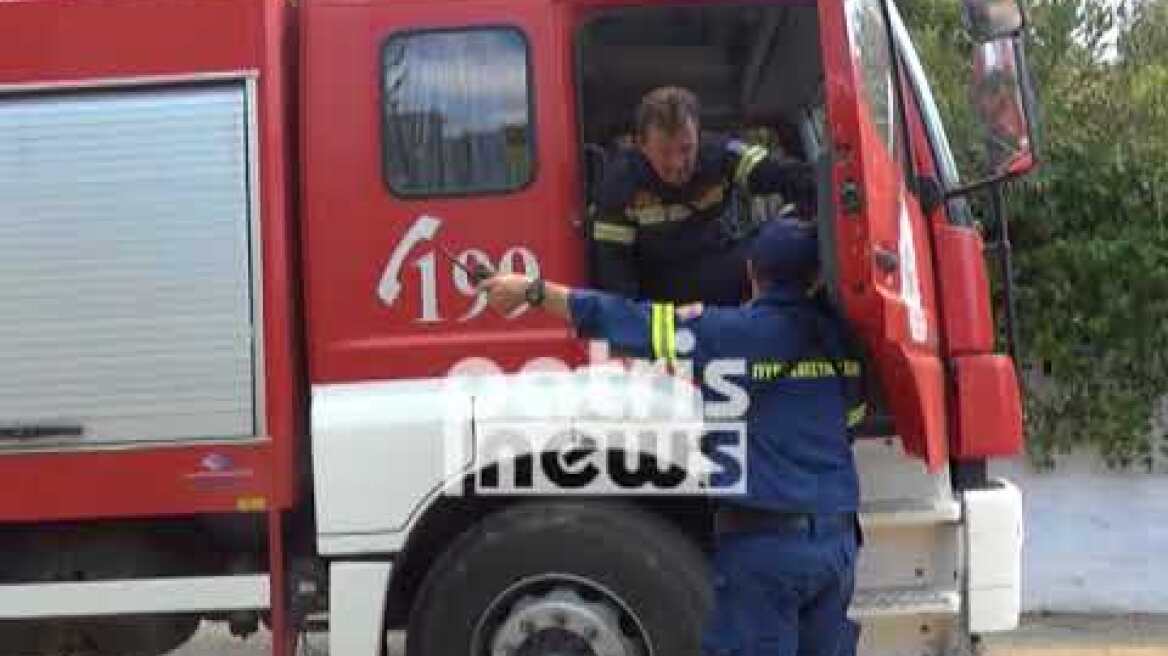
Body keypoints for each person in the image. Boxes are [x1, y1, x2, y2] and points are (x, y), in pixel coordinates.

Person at [480, 218, 863, 656]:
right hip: (837, 545)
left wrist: (532, 291)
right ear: (816, 277)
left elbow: (630, 321)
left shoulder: (727, 334)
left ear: (752, 272)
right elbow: (850, 419)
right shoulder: (842, 343)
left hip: (766, 548)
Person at [589, 85, 817, 306]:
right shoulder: (619, 184)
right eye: (665, 152)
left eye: (686, 148)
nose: (678, 164)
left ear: (699, 135)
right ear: (641, 145)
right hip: (659, 292)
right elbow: (615, 275)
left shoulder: (720, 154)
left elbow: (783, 174)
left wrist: (808, 212)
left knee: (781, 243)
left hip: (719, 269)